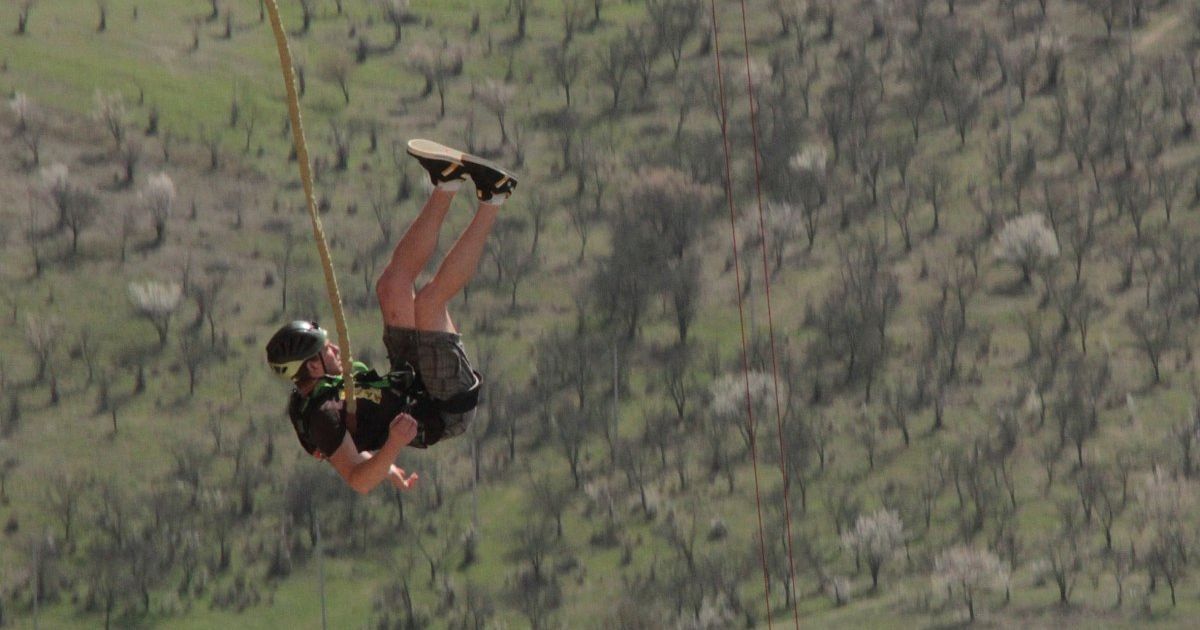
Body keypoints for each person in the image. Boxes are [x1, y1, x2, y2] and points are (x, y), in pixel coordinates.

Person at [265, 139, 517, 494]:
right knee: (429, 301)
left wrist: (390, 469)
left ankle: (447, 183)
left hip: (410, 381)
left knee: (391, 286)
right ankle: (494, 198)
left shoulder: (321, 394)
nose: (336, 349)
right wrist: (394, 447)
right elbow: (357, 479)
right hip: (442, 407)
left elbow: (357, 447)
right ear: (314, 367)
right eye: (325, 350)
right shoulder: (322, 415)